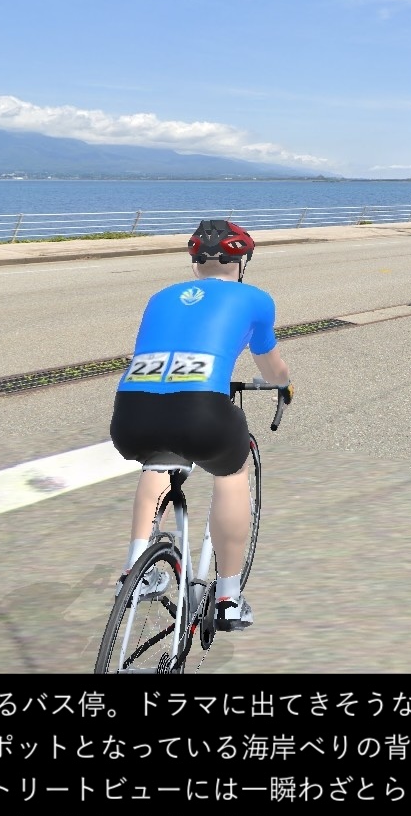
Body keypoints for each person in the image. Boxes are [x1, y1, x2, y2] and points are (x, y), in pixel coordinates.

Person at [109, 220, 293, 631]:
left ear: (195, 264)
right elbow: (272, 366)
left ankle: (134, 570)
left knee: (158, 462)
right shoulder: (255, 298)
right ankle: (228, 598)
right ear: (242, 262)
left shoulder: (160, 297)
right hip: (201, 410)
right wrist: (283, 386)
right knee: (231, 473)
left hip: (131, 412)